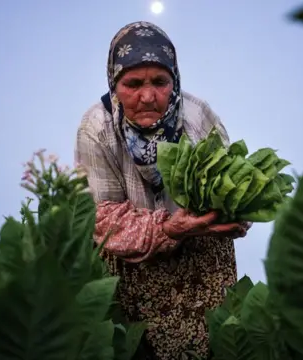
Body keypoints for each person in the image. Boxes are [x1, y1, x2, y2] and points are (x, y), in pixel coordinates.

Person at [75, 21, 250, 360]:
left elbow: (231, 183)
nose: (147, 96)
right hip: (135, 268)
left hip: (202, 264)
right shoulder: (97, 128)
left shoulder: (198, 117)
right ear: (114, 83)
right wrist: (167, 229)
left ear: (175, 80)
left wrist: (236, 213)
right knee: (136, 350)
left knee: (214, 348)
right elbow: (103, 217)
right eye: (133, 83)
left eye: (160, 82)